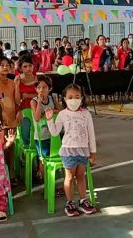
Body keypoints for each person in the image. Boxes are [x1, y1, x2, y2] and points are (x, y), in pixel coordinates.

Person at [45, 83, 97, 217]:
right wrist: (50, 120)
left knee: (80, 176)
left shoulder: (86, 114)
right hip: (68, 151)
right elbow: (55, 132)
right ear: (64, 98)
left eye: (77, 96)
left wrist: (93, 152)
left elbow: (91, 134)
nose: (74, 99)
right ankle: (70, 202)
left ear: (81, 98)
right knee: (69, 177)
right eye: (70, 97)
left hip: (83, 150)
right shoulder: (62, 114)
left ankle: (83, 200)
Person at [30, 75, 61, 180]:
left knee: (52, 157)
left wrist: (52, 111)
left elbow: (61, 111)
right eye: (39, 88)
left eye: (44, 87)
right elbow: (37, 118)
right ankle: (45, 181)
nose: (41, 90)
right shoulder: (34, 101)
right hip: (41, 137)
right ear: (36, 89)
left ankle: (49, 178)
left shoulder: (52, 98)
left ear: (50, 89)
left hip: (53, 134)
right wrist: (39, 102)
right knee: (43, 160)